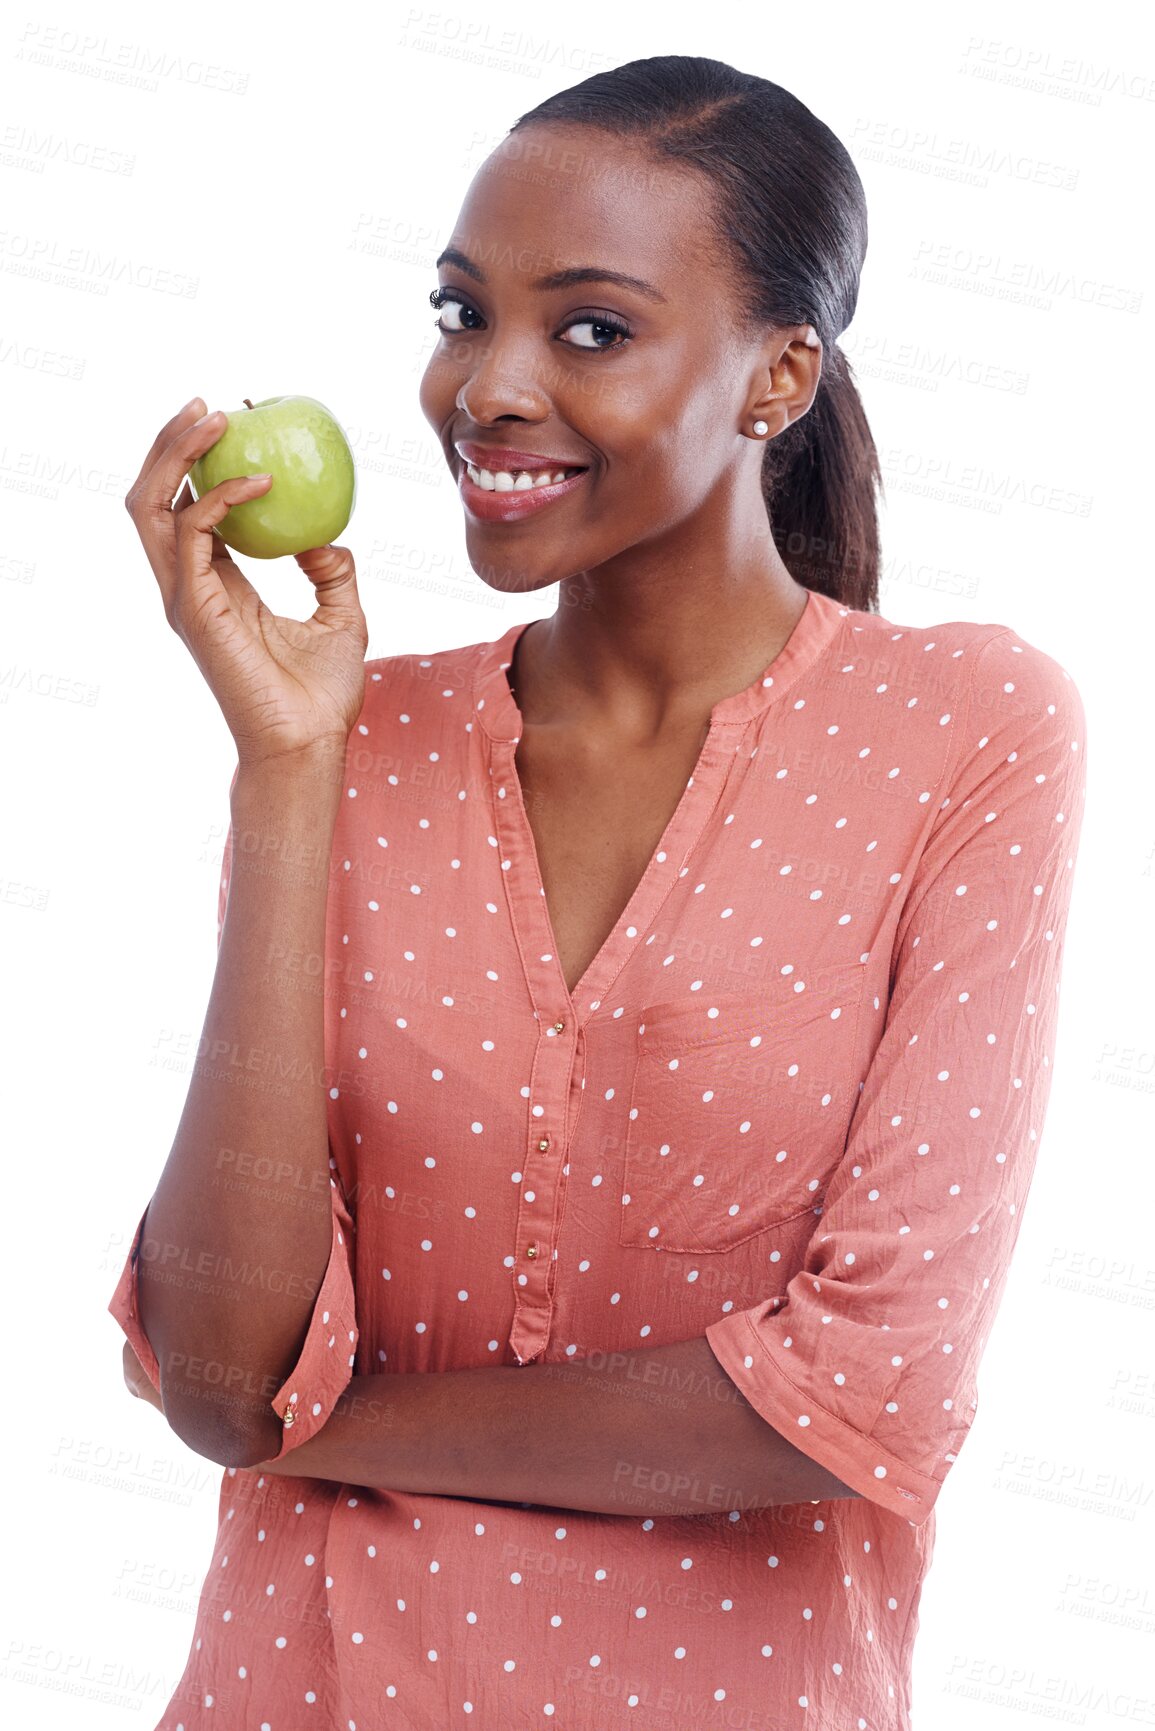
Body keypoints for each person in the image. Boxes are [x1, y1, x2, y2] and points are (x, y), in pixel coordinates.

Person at [111, 54, 1088, 1731]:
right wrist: (288, 772)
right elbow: (219, 1373)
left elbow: (869, 1394)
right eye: (460, 312)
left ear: (779, 374)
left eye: (589, 330)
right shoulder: (359, 734)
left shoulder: (967, 731)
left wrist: (334, 1428)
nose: (485, 387)